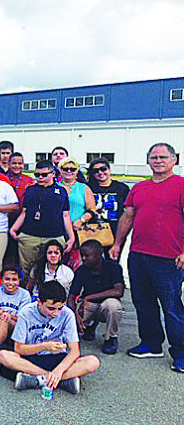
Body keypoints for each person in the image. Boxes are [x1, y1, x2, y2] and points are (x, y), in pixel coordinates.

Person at [110, 143, 184, 372]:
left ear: (174, 160)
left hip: (169, 259)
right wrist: (117, 243)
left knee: (171, 306)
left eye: (163, 157)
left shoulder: (181, 186)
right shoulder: (140, 188)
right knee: (143, 303)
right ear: (148, 161)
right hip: (139, 256)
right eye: (154, 157)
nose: (158, 161)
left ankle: (180, 353)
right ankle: (151, 344)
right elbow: (127, 216)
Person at [0, 281, 101, 395]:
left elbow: (74, 351)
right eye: (51, 308)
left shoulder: (68, 314)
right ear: (39, 302)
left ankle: (39, 380)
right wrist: (45, 346)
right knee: (3, 356)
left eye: (60, 308)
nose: (56, 313)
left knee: (93, 362)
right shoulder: (26, 313)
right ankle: (59, 380)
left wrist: (58, 370)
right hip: (31, 358)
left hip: (57, 358)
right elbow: (19, 349)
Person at [9, 159, 74, 283]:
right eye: (37, 175)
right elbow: (24, 211)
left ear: (53, 174)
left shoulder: (61, 191)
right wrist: (14, 229)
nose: (40, 177)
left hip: (54, 236)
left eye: (44, 175)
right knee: (26, 269)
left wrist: (71, 237)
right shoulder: (30, 190)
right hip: (30, 235)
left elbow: (65, 215)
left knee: (53, 268)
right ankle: (27, 296)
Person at [68, 240, 124, 355]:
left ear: (99, 254)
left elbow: (119, 291)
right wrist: (74, 315)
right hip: (88, 305)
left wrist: (88, 297)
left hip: (105, 304)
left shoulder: (113, 267)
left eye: (87, 256)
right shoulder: (81, 270)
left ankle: (111, 338)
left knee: (113, 306)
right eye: (82, 255)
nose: (83, 258)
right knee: (73, 322)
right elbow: (72, 296)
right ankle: (89, 327)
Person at [86, 157, 130, 244]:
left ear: (109, 170)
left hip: (115, 232)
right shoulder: (87, 188)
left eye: (103, 169)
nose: (100, 172)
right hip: (93, 231)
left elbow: (128, 212)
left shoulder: (121, 188)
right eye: (96, 171)